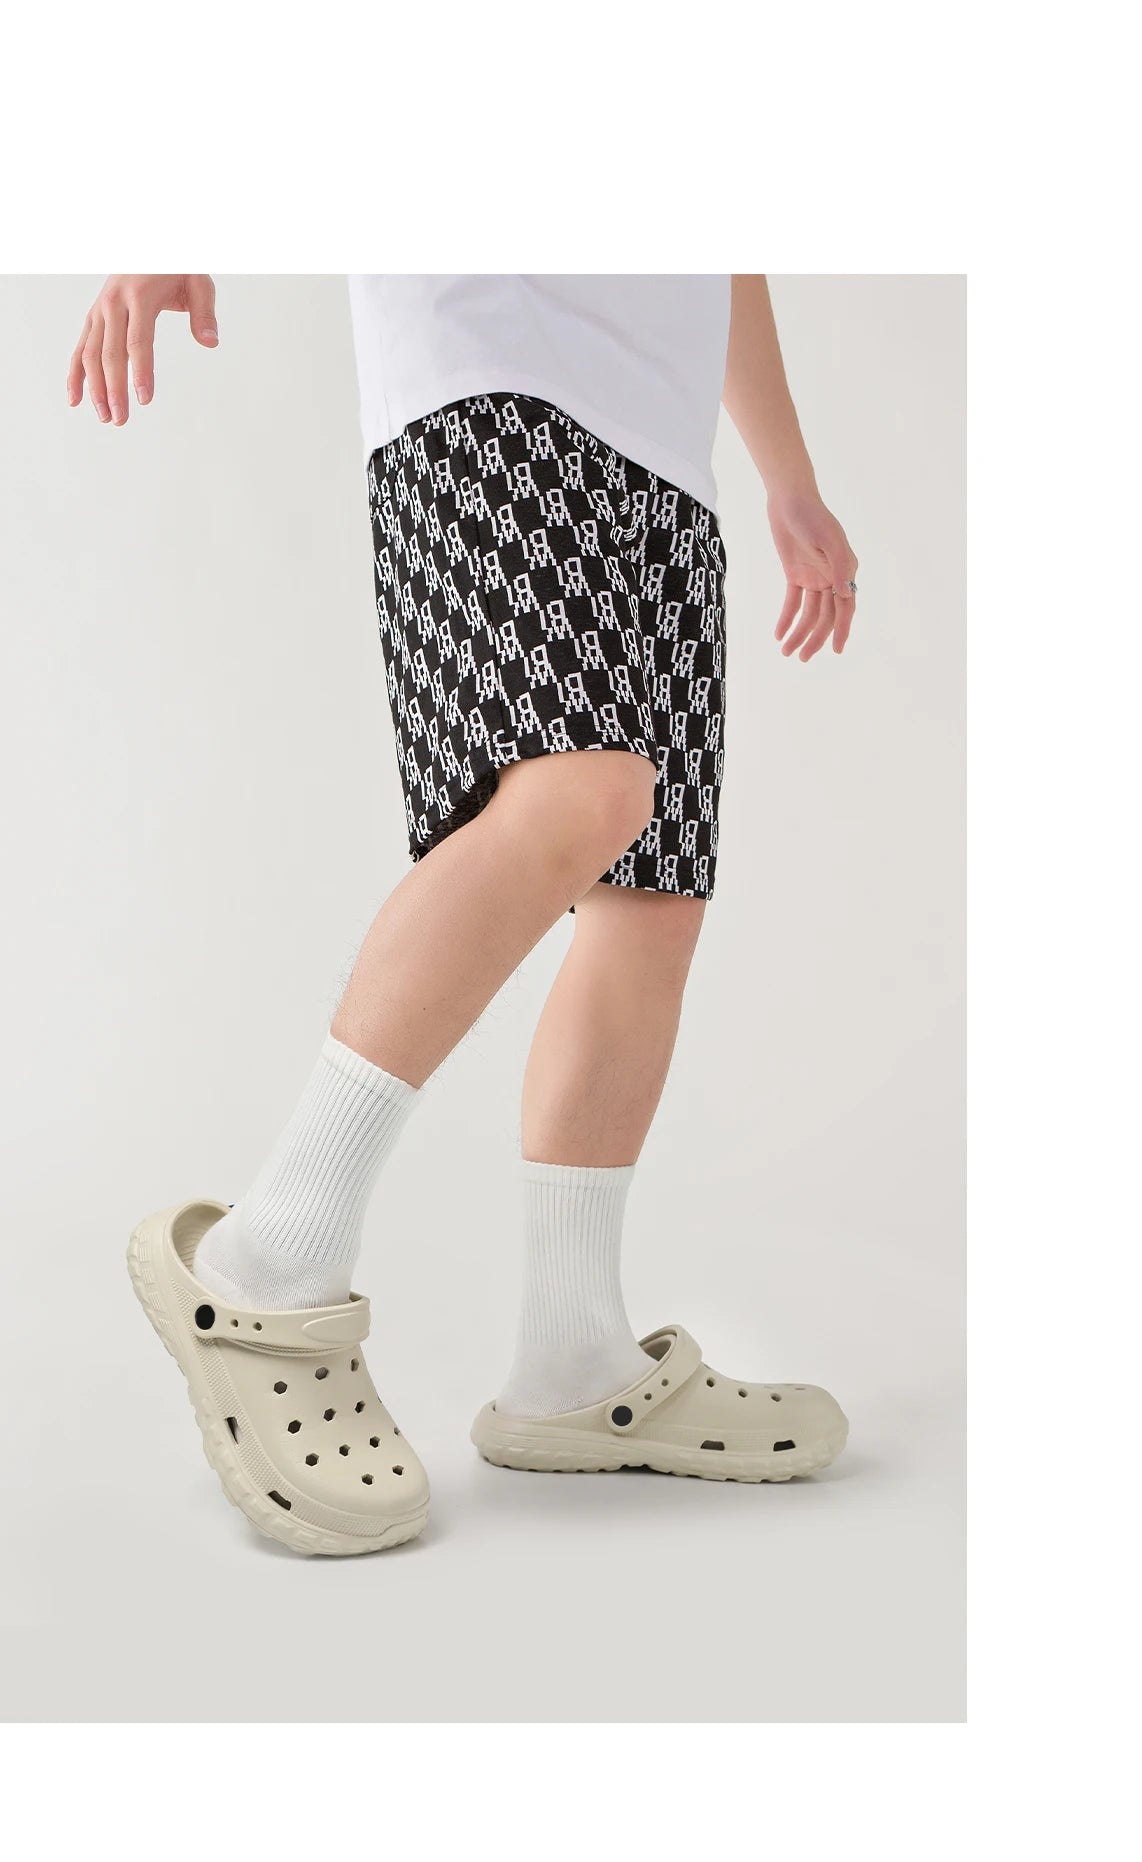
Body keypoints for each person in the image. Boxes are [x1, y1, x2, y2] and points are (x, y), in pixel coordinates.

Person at [70, 273, 860, 1557]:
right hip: (490, 369)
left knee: (651, 899)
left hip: (665, 454)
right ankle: (267, 1259)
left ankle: (573, 1360)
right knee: (584, 793)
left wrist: (787, 475)